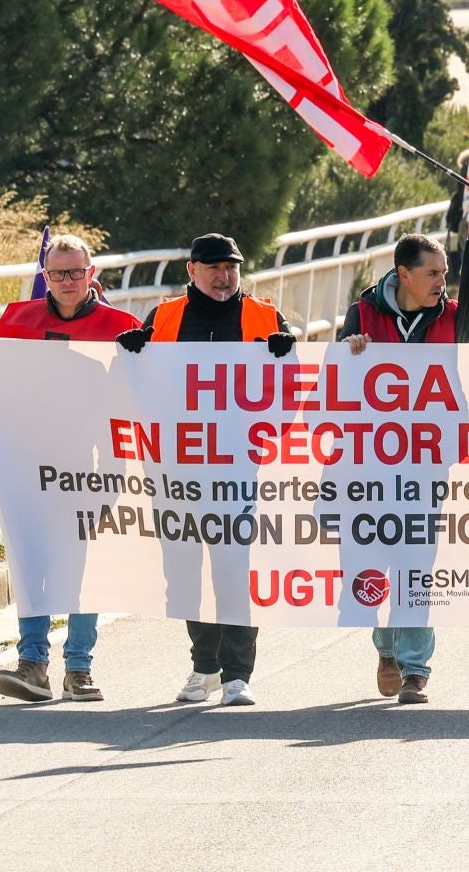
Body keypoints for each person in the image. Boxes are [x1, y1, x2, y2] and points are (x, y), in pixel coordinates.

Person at [115, 233, 293, 708]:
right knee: (184, 572)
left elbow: (291, 395)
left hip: (237, 469)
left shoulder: (264, 316)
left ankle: (237, 675)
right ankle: (204, 666)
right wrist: (131, 354)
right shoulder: (165, 317)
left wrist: (286, 356)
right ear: (192, 271)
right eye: (213, 267)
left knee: (232, 568)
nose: (224, 275)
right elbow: (133, 390)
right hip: (177, 468)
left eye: (231, 267)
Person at [0, 234, 142, 704]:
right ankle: (33, 664)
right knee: (33, 561)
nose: (66, 281)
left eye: (75, 272)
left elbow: (139, 397)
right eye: (58, 273)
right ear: (45, 277)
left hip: (93, 466)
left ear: (92, 274)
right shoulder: (16, 322)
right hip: (30, 464)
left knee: (86, 567)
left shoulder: (121, 327)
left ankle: (78, 669)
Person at [341, 234, 458, 705]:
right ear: (403, 274)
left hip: (427, 461)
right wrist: (349, 350)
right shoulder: (362, 313)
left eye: (445, 273)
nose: (441, 282)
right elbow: (337, 382)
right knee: (370, 561)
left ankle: (414, 667)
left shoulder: (453, 316)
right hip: (368, 462)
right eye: (432, 273)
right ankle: (385, 647)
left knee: (416, 563)